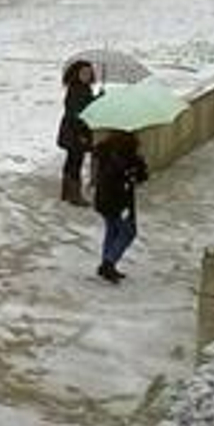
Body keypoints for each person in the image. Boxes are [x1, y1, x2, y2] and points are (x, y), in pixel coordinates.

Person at [91, 131, 147, 283]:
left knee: (112, 230)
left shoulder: (106, 151)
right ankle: (109, 263)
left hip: (104, 200)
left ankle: (106, 263)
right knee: (128, 232)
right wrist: (133, 171)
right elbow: (134, 178)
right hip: (119, 203)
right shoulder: (124, 157)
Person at [57, 61, 97, 206]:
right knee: (75, 161)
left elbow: (86, 106)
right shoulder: (76, 90)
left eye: (89, 72)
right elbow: (76, 113)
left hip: (72, 130)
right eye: (84, 72)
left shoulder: (82, 88)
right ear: (76, 73)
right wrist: (81, 134)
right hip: (75, 131)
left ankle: (67, 192)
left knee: (72, 160)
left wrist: (97, 98)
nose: (87, 75)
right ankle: (74, 196)